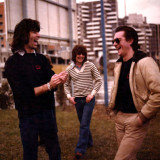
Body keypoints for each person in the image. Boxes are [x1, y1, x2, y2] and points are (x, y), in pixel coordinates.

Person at [5, 18, 68, 160]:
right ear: (23, 35)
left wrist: (59, 79)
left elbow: (51, 80)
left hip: (47, 114)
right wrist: (48, 85)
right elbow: (23, 94)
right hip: (28, 117)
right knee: (30, 154)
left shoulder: (41, 59)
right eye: (34, 31)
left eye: (38, 32)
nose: (38, 35)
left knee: (55, 152)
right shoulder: (13, 63)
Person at [108, 25, 160, 160]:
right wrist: (114, 112)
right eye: (113, 41)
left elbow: (158, 92)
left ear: (130, 40)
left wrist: (143, 116)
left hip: (135, 120)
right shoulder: (119, 64)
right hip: (119, 119)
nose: (114, 44)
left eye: (117, 40)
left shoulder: (145, 62)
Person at [64, 44, 102, 160]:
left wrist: (92, 94)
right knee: (83, 124)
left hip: (88, 99)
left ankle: (80, 150)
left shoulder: (90, 65)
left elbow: (98, 80)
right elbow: (66, 85)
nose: (80, 56)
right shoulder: (69, 69)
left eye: (82, 54)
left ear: (85, 55)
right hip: (77, 100)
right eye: (78, 53)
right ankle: (89, 142)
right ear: (74, 55)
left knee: (84, 124)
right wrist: (69, 97)